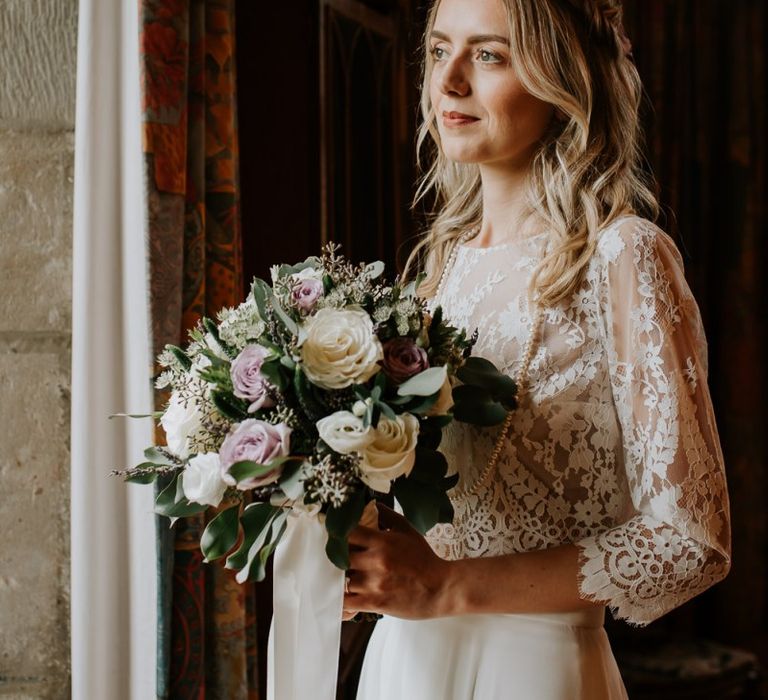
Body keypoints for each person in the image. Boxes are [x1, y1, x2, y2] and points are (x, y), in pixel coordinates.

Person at [344, 0, 732, 697]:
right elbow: (456, 512)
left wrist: (450, 587)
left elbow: (688, 541)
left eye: (488, 55)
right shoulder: (434, 274)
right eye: (438, 51)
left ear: (565, 82)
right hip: (405, 661)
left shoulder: (622, 256)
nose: (449, 81)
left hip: (532, 668)